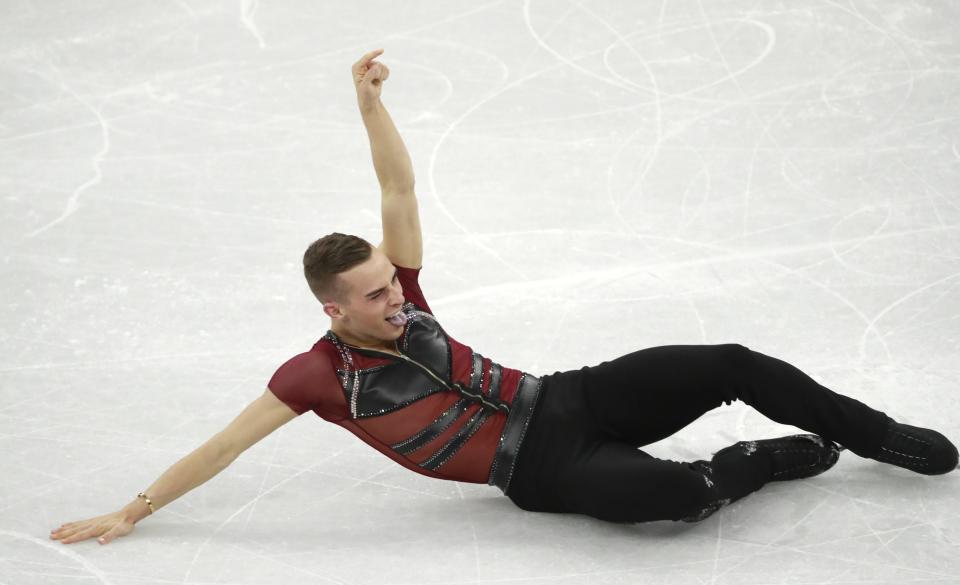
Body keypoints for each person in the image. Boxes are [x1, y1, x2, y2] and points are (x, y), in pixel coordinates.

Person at [50, 49, 958, 545]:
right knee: (683, 497)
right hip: (537, 472)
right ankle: (768, 456)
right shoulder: (316, 377)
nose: (396, 299)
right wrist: (135, 506)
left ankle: (877, 434)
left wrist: (368, 105)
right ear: (335, 310)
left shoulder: (401, 282)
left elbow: (399, 195)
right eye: (373, 295)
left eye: (391, 282)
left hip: (566, 395)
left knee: (729, 361)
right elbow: (223, 444)